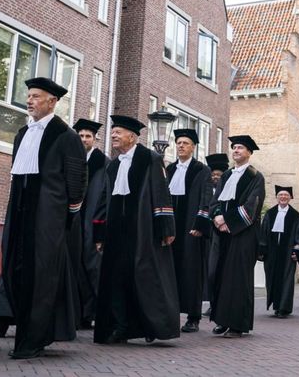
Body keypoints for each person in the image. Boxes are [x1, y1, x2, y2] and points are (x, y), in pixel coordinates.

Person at [0, 78, 88, 358]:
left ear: (52, 101)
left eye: (36, 96)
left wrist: (67, 216)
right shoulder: (22, 133)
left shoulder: (66, 136)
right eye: (29, 96)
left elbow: (76, 181)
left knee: (42, 275)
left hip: (48, 215)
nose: (30, 100)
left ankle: (33, 339)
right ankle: (25, 333)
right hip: (19, 211)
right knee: (15, 267)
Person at [92, 115, 178, 344]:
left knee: (145, 279)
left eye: (117, 132)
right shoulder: (114, 164)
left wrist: (165, 228)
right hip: (116, 233)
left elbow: (161, 192)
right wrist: (99, 232)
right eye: (113, 133)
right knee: (117, 280)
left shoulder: (149, 159)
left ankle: (151, 325)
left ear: (132, 136)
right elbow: (104, 199)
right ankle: (121, 326)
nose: (113, 136)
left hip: (143, 231)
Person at [208, 136, 265, 338]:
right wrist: (216, 218)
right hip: (222, 234)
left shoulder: (255, 177)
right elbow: (214, 201)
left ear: (249, 152)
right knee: (220, 274)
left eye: (240, 147)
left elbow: (253, 206)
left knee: (238, 278)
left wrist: (228, 221)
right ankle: (221, 319)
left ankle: (237, 324)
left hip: (243, 235)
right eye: (234, 147)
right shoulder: (226, 175)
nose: (236, 150)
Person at [166, 128, 213, 332]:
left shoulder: (202, 170)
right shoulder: (169, 170)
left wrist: (200, 225)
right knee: (169, 271)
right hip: (171, 228)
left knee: (191, 272)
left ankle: (193, 317)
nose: (181, 146)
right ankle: (169, 313)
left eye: (185, 143)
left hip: (190, 229)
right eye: (179, 143)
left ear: (193, 147)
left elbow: (206, 200)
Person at [72, 118, 108, 329]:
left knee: (94, 269)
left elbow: (105, 199)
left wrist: (100, 227)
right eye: (81, 136)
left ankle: (99, 313)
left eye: (88, 136)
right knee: (76, 268)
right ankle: (82, 315)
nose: (84, 139)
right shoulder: (72, 159)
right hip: (75, 221)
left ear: (95, 139)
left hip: (92, 223)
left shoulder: (104, 163)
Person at [259, 186, 299, 318]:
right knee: (272, 277)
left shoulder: (295, 215)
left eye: (286, 195)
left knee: (286, 279)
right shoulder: (270, 214)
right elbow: (263, 233)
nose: (283, 197)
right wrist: (262, 250)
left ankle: (284, 308)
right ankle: (276, 305)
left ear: (290, 197)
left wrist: (296, 252)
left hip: (287, 252)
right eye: (281, 195)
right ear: (277, 197)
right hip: (272, 252)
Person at [203, 153, 230, 317]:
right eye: (213, 174)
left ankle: (217, 305)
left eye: (219, 175)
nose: (215, 177)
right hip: (205, 235)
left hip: (219, 234)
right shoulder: (205, 189)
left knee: (217, 271)